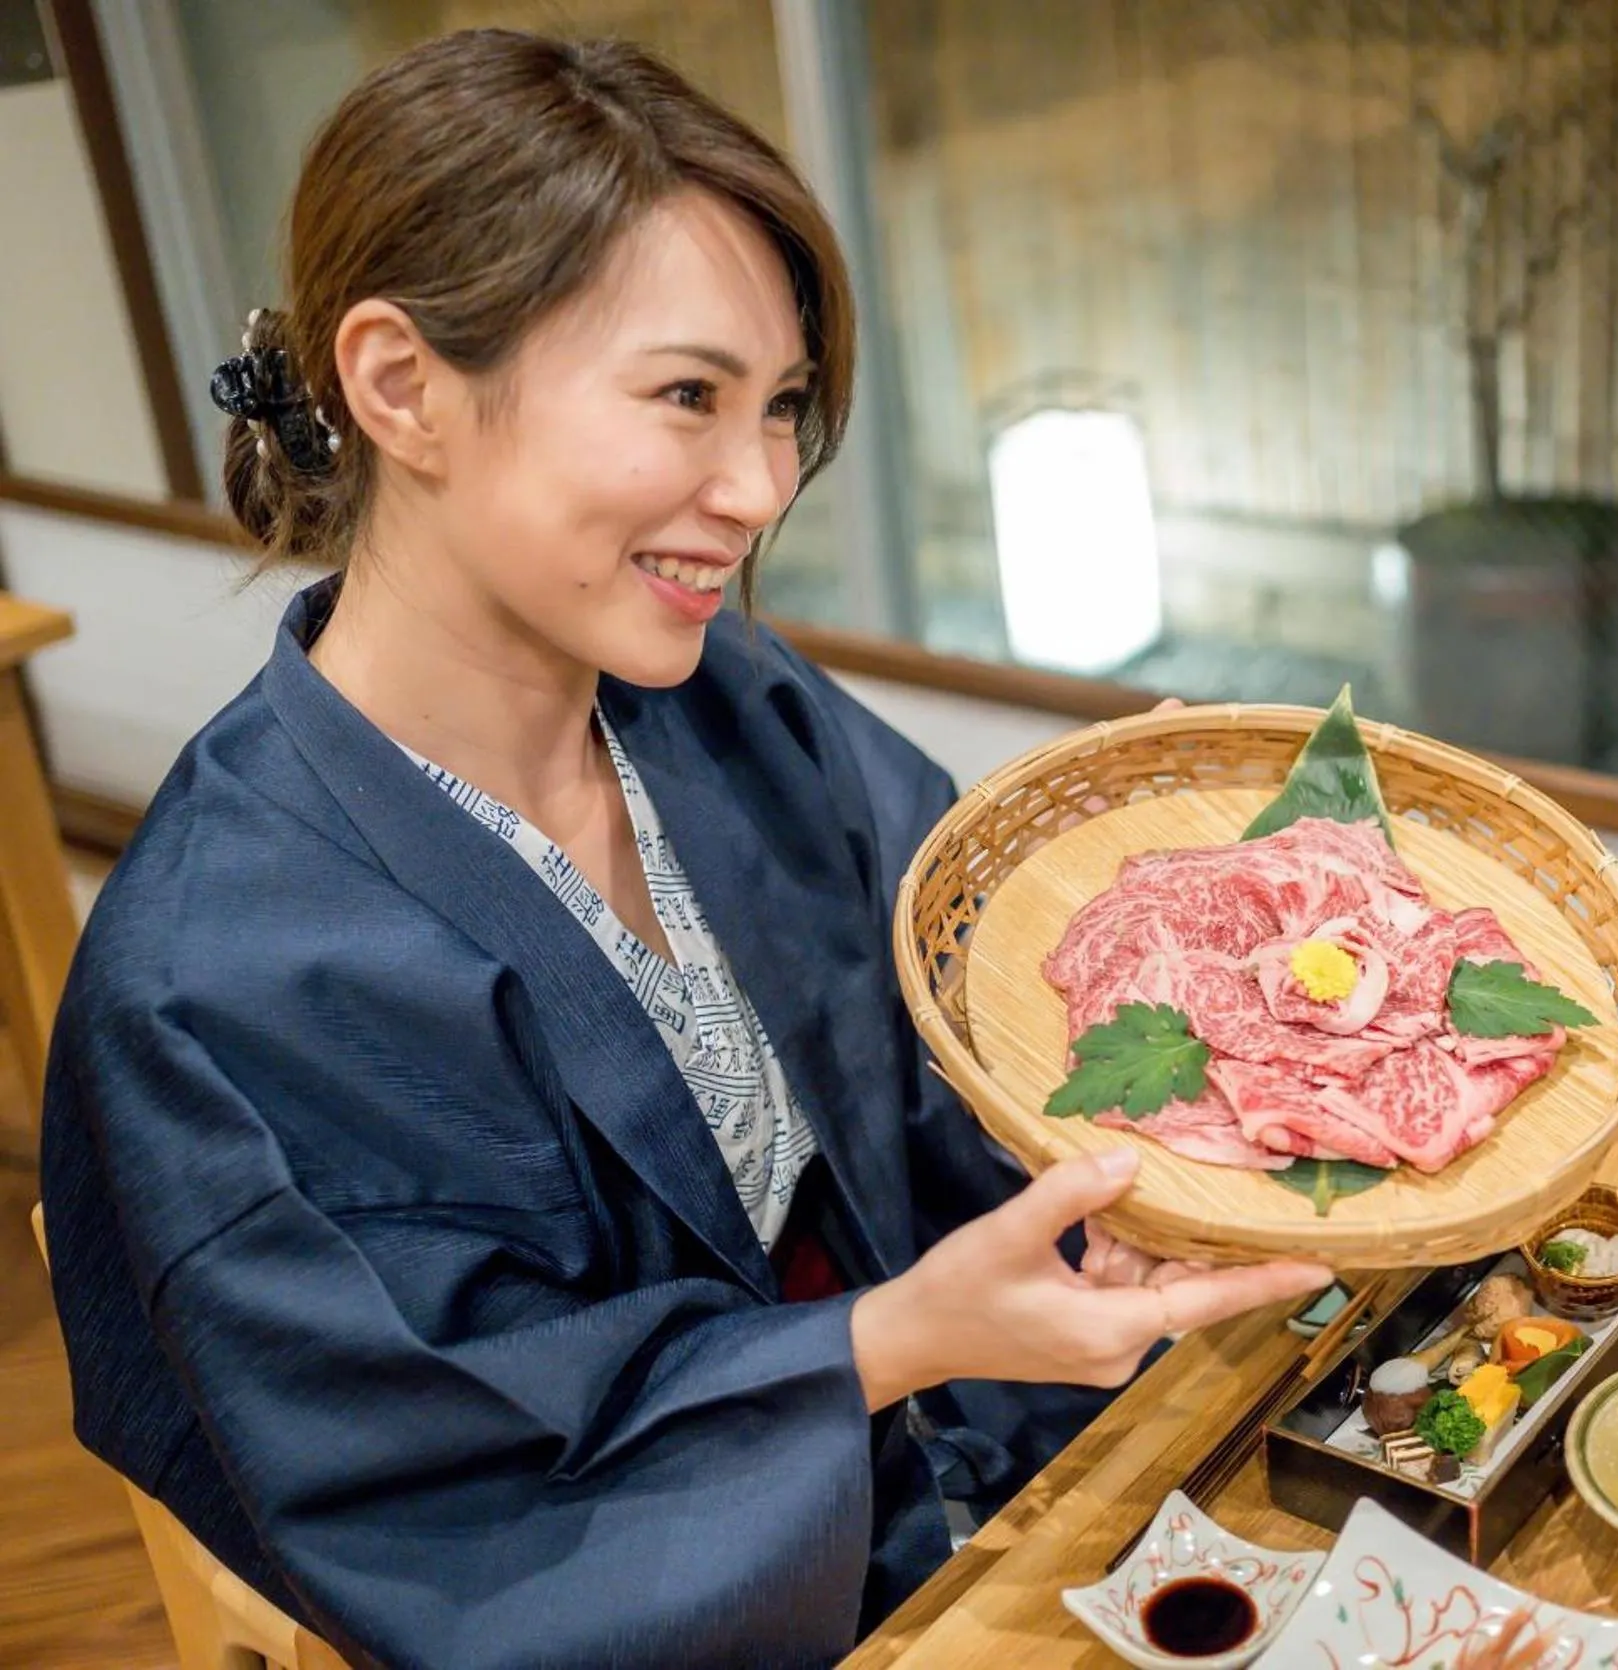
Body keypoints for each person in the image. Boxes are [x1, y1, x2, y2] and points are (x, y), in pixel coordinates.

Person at [38, 29, 1329, 1670]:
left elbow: (976, 994)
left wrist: (1133, 1142)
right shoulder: (213, 981)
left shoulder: (727, 699)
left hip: (995, 1481)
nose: (760, 483)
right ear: (400, 383)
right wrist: (883, 1342)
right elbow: (456, 1493)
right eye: (687, 397)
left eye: (780, 406)